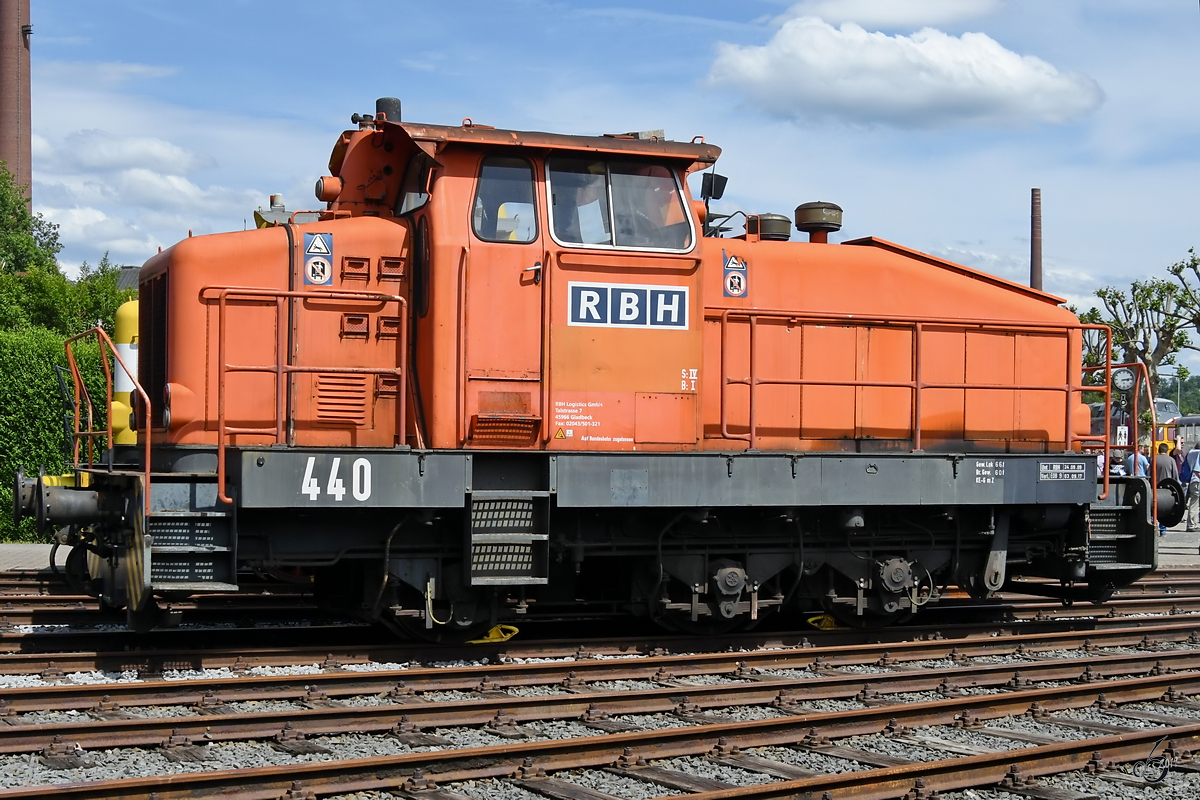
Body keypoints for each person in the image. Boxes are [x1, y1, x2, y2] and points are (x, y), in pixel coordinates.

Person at [1155, 443, 1179, 534]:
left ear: (1159, 450)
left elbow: (1149, 473)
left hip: (1156, 486)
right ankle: (1163, 529)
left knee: (1155, 507)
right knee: (1165, 508)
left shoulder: (1154, 459)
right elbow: (1175, 474)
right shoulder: (1171, 460)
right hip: (1168, 487)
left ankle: (1153, 527)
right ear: (1167, 450)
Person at [1187, 443, 1200, 532]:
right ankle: (1191, 524)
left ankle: (1193, 523)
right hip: (1197, 480)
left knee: (1194, 502)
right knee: (1195, 503)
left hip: (1192, 480)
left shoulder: (1190, 453)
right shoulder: (1198, 453)